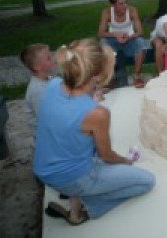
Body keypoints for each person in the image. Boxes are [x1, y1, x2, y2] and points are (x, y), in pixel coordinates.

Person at [33, 38, 155, 225]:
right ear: (97, 76)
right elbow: (106, 156)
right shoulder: (97, 114)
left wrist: (92, 97)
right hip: (73, 177)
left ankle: (83, 196)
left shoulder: (53, 85)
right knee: (146, 182)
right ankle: (93, 206)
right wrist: (126, 162)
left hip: (44, 169)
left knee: (103, 165)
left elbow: (70, 112)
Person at [98, 0, 149, 88]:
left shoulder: (132, 10)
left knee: (141, 43)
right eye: (121, 4)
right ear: (113, 5)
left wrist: (128, 37)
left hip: (129, 40)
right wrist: (116, 34)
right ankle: (110, 77)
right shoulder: (107, 12)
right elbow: (101, 33)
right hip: (113, 40)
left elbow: (140, 32)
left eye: (125, 2)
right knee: (103, 44)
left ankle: (137, 75)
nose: (124, 5)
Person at [20, 44, 56, 122]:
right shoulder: (38, 91)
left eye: (51, 55)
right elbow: (43, 118)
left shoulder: (49, 79)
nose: (54, 59)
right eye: (48, 58)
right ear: (37, 67)